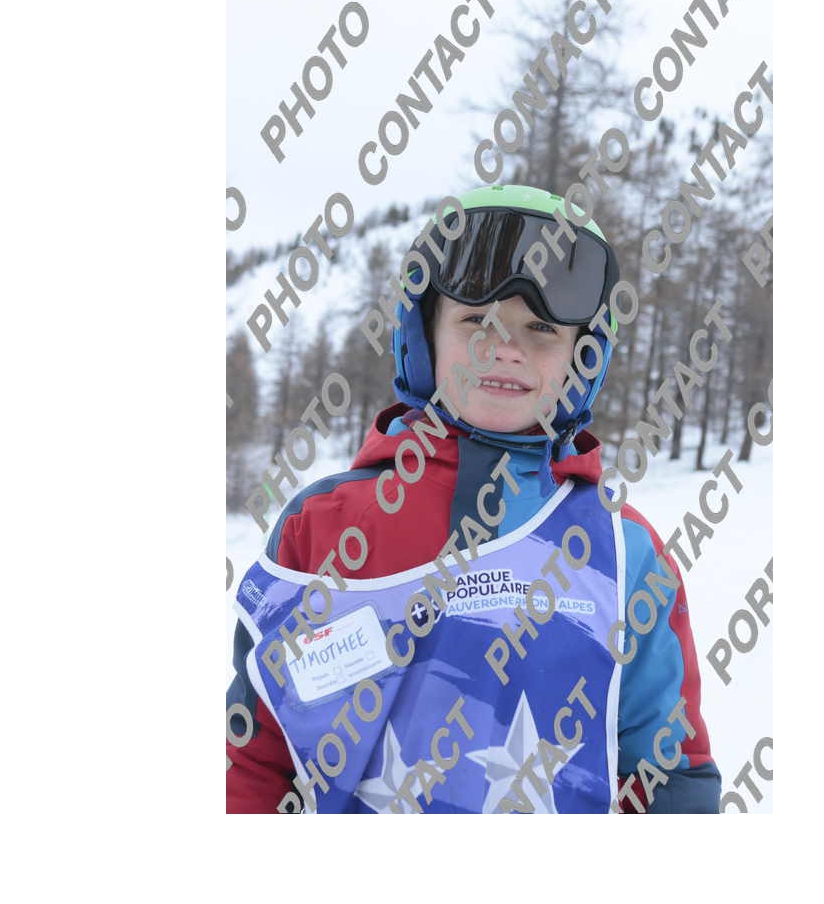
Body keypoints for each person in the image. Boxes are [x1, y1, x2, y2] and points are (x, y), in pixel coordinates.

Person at [227, 184, 721, 813]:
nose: (505, 349)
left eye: (541, 329)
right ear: (425, 337)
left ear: (582, 358)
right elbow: (256, 758)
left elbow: (669, 774)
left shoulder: (624, 554)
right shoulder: (326, 527)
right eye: (476, 322)